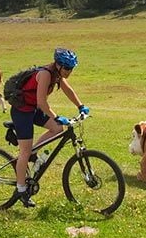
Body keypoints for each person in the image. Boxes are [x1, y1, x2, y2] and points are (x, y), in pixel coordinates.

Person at [12, 46, 90, 207]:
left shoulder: (57, 74)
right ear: (59, 65)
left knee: (57, 129)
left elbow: (68, 90)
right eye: (67, 68)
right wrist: (56, 116)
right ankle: (20, 190)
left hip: (34, 109)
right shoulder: (46, 74)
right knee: (24, 152)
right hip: (22, 111)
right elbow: (42, 102)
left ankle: (33, 152)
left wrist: (81, 106)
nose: (69, 72)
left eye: (71, 68)